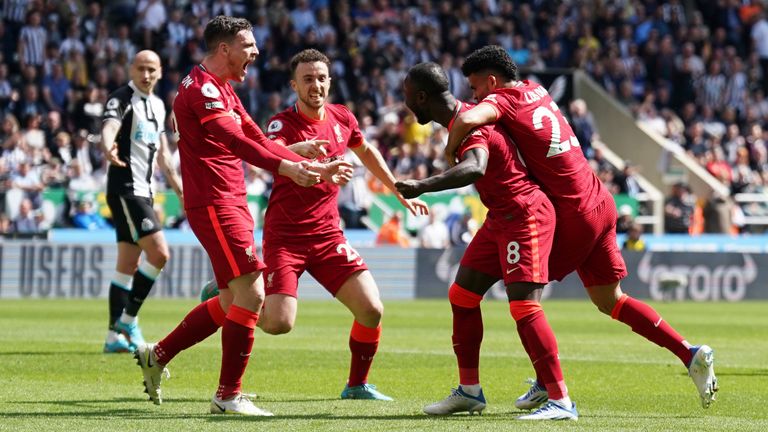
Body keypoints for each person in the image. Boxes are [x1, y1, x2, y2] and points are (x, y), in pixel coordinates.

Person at [444, 45, 717, 413]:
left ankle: (554, 395)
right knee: (611, 300)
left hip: (572, 213)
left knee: (525, 296)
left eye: (476, 87)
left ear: (492, 81)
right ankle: (690, 352)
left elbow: (466, 120)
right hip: (599, 202)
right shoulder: (537, 90)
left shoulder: (504, 99)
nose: (473, 95)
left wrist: (450, 148)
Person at [132, 16, 351, 416]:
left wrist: (309, 164)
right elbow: (235, 140)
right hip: (215, 202)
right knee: (252, 293)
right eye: (248, 45)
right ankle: (228, 395)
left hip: (230, 199)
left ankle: (158, 354)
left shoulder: (222, 88)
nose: (255, 52)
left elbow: (254, 136)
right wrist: (287, 167)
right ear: (225, 49)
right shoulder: (202, 91)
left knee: (231, 298)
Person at [396, 62, 572, 420]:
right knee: (462, 296)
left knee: (523, 306)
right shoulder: (464, 120)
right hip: (500, 218)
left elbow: (476, 166)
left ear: (422, 97)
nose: (405, 103)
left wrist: (423, 186)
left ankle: (561, 400)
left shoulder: (471, 125)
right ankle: (470, 392)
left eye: (407, 96)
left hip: (525, 214)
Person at [258, 49, 427, 400]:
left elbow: (366, 152)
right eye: (307, 79)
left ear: (330, 81)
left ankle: (357, 385)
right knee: (278, 323)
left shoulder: (342, 118)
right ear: (294, 85)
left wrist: (398, 189)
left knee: (371, 309)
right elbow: (273, 155)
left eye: (321, 78)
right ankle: (230, 297)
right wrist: (319, 165)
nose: (315, 85)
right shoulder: (282, 124)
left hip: (327, 235)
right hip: (286, 237)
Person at [99, 50, 183, 354]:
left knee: (128, 264)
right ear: (131, 69)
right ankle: (129, 320)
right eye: (140, 69)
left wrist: (181, 192)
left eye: (151, 70)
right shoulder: (121, 97)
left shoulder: (159, 105)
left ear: (160, 72)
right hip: (125, 187)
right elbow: (109, 125)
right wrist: (108, 146)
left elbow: (164, 157)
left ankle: (113, 337)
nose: (145, 75)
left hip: (145, 190)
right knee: (160, 254)